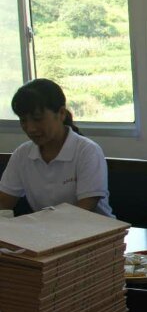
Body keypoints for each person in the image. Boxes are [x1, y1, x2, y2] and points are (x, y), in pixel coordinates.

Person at [0, 79, 113, 217]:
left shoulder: (87, 151)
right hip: (46, 228)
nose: (30, 128)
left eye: (37, 119)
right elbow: (3, 202)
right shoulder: (22, 154)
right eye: (23, 120)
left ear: (61, 113)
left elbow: (85, 210)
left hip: (94, 228)